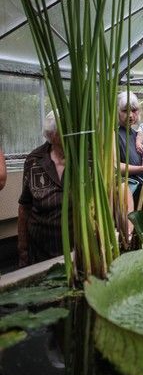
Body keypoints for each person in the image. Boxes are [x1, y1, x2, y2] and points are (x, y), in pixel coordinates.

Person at [17, 112, 66, 266]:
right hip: (41, 254)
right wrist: (23, 251)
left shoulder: (87, 158)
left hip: (77, 252)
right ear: (52, 135)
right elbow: (24, 206)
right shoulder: (34, 160)